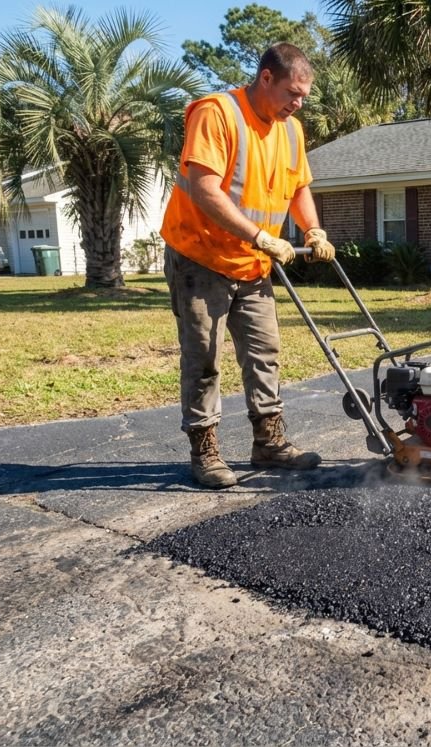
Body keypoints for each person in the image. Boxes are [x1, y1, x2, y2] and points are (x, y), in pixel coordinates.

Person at [160, 42, 336, 489]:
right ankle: (205, 451)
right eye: (292, 93)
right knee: (204, 359)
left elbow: (299, 188)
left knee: (265, 354)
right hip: (201, 257)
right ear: (266, 78)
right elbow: (204, 188)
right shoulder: (217, 112)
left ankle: (269, 443)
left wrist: (313, 230)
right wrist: (261, 236)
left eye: (303, 97)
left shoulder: (291, 130)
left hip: (254, 264)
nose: (297, 104)